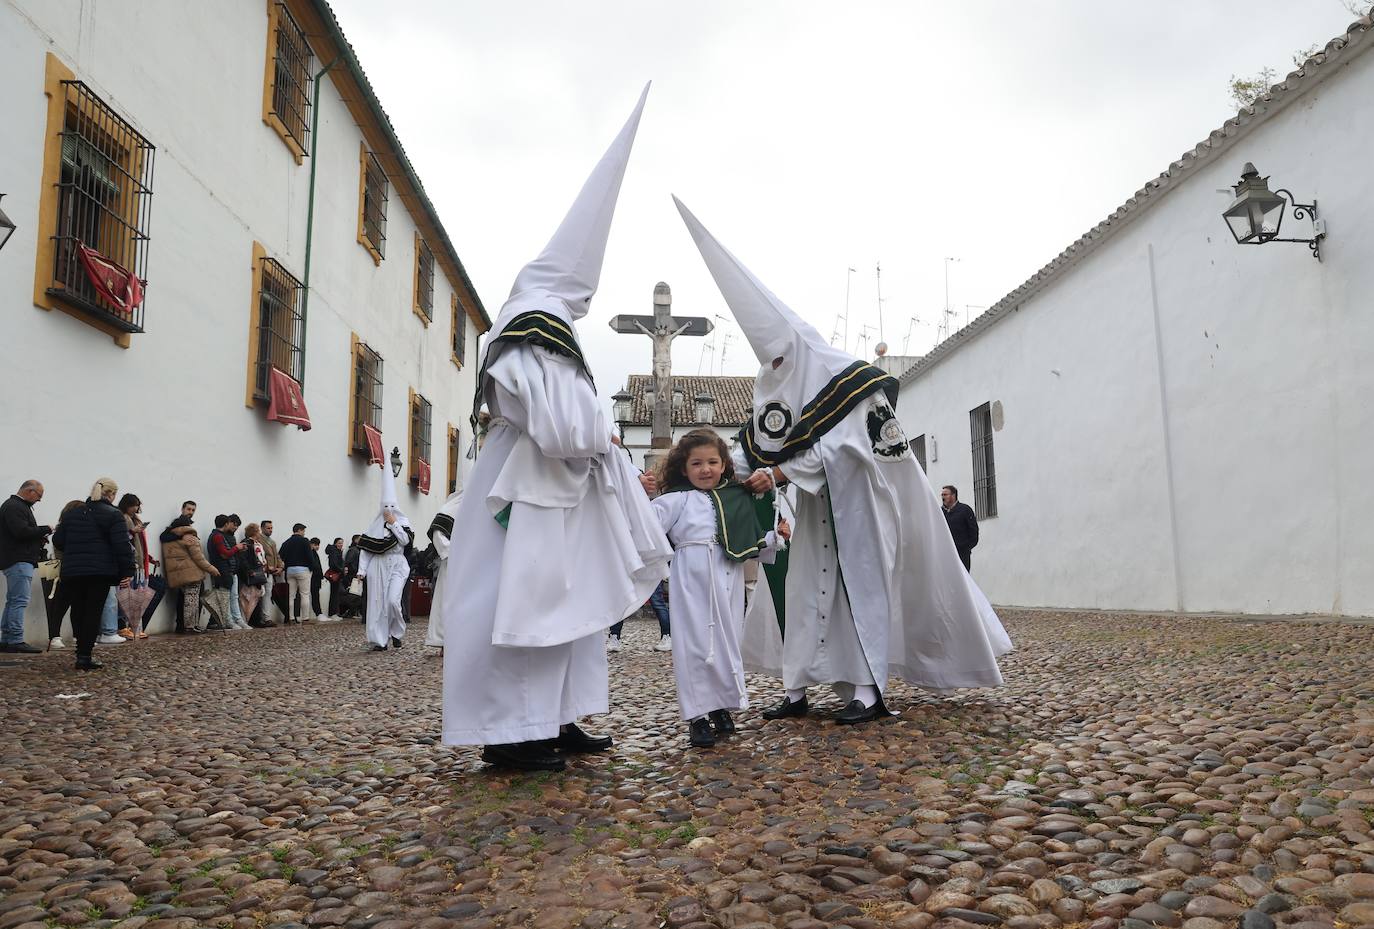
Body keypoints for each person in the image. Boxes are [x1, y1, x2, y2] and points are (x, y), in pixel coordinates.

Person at [675, 198, 1012, 725]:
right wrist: (723, 468)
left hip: (864, 509)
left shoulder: (853, 380)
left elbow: (859, 448)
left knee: (859, 597)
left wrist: (785, 472)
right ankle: (796, 689)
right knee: (805, 592)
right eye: (770, 361)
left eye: (782, 357)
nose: (777, 368)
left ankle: (867, 691)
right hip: (814, 514)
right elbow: (754, 446)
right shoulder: (779, 386)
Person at [441, 84, 671, 772]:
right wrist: (605, 428)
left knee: (566, 613)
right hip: (540, 486)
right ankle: (517, 732)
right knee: (531, 609)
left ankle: (559, 717)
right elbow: (570, 424)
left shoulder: (536, 319)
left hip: (552, 486)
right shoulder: (541, 323)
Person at [650, 430, 790, 748]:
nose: (705, 469)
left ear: (724, 465)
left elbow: (746, 540)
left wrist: (775, 537)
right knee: (694, 645)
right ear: (683, 468)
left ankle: (721, 707)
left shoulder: (733, 499)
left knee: (726, 644)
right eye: (696, 463)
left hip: (727, 578)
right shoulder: (675, 501)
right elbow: (645, 527)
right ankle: (697, 716)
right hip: (691, 581)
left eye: (712, 462)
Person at [52, 478, 135, 670]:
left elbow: (58, 540)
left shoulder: (74, 513)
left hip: (73, 571)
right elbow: (122, 546)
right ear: (112, 494)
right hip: (100, 571)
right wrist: (127, 570)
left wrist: (75, 550)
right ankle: (84, 655)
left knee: (78, 611)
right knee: (92, 612)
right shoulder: (113, 515)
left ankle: (80, 651)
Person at [359, 467, 413, 651]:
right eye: (385, 507)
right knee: (377, 604)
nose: (388, 510)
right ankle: (379, 640)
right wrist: (361, 570)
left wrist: (394, 523)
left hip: (397, 564)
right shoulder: (374, 526)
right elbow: (366, 550)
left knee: (392, 601)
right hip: (378, 566)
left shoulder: (403, 523)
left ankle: (396, 632)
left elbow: (405, 540)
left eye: (391, 507)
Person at [0, 479, 51, 653]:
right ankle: (15, 640)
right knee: (19, 601)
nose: (39, 500)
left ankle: (6, 639)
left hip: (15, 559)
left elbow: (20, 532)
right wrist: (45, 529)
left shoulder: (14, 506)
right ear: (30, 491)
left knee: (13, 601)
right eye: (39, 496)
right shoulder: (15, 506)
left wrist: (37, 537)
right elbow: (21, 532)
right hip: (19, 560)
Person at [161, 516, 219, 633]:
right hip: (192, 574)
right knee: (191, 601)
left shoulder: (169, 538)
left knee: (185, 600)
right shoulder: (189, 537)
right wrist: (212, 569)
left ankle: (186, 626)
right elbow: (199, 558)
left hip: (178, 576)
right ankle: (190, 626)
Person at [204, 515, 244, 630]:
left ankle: (233, 620)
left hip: (226, 570)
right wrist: (237, 548)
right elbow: (224, 554)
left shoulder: (219, 536)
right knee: (224, 598)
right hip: (222, 571)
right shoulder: (217, 536)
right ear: (226, 524)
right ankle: (227, 621)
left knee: (229, 597)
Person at [277, 522, 315, 624]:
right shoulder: (305, 541)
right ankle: (305, 617)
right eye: (303, 531)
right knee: (304, 594)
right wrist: (311, 568)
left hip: (290, 570)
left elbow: (280, 556)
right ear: (299, 530)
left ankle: (291, 617)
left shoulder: (286, 542)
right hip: (303, 570)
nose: (304, 533)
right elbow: (309, 556)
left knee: (290, 595)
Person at [941, 485, 979, 572]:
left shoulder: (965, 510)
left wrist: (965, 548)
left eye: (945, 495)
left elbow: (974, 532)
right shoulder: (940, 513)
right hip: (946, 556)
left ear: (953, 495)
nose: (943, 497)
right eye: (942, 495)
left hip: (962, 556)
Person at [238, 523, 269, 623]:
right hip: (252, 573)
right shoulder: (247, 543)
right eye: (258, 531)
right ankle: (250, 619)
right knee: (249, 597)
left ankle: (255, 619)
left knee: (256, 596)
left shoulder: (256, 543)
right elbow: (244, 559)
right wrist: (249, 570)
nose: (260, 533)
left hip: (257, 572)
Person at [258, 519, 286, 625]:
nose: (270, 530)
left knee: (268, 595)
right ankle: (263, 617)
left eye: (271, 528)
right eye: (268, 528)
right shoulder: (260, 540)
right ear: (262, 528)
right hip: (263, 571)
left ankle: (266, 617)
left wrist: (281, 567)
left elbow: (277, 556)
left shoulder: (272, 542)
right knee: (262, 594)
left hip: (271, 572)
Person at [342, 534, 362, 620]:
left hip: (356, 575)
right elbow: (348, 562)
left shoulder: (357, 550)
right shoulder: (354, 550)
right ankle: (350, 612)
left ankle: (353, 612)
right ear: (356, 540)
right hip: (353, 576)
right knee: (353, 594)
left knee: (356, 594)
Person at [325, 537, 345, 621]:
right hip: (335, 575)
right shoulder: (334, 552)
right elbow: (334, 564)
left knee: (335, 594)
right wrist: (341, 570)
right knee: (334, 594)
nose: (341, 544)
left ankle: (333, 613)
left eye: (342, 543)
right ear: (335, 543)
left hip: (336, 574)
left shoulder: (337, 551)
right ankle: (333, 613)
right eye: (339, 543)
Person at [307, 537, 326, 619]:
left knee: (316, 595)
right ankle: (318, 613)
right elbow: (314, 565)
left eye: (318, 545)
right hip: (312, 577)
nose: (317, 547)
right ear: (311, 544)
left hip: (316, 577)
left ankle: (318, 613)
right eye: (315, 545)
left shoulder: (314, 553)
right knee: (314, 595)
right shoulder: (310, 553)